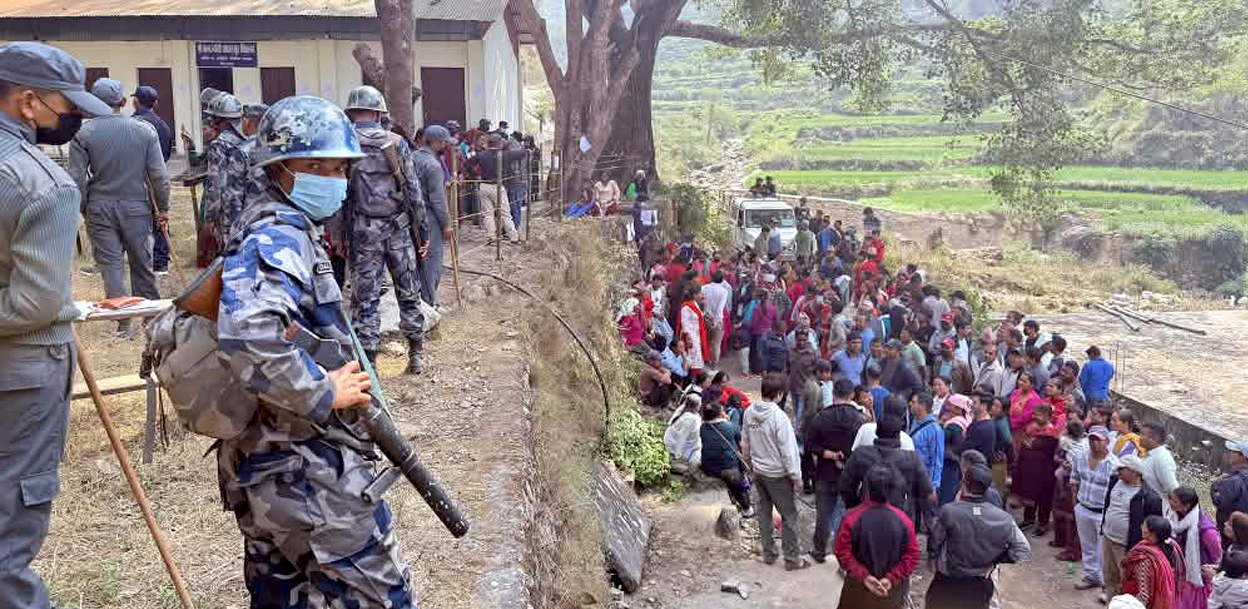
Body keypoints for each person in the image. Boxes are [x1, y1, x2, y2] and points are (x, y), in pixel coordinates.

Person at [217, 95, 419, 607]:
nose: (331, 178)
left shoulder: (286, 226)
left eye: (337, 167)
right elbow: (248, 333)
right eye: (314, 166)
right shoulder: (276, 235)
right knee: (383, 596)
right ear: (279, 169)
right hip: (305, 468)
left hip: (274, 464)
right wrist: (321, 391)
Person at [0, 41, 114, 609]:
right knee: (7, 530)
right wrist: (64, 308)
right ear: (27, 102)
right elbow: (35, 306)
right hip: (20, 368)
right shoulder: (41, 181)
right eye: (63, 107)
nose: (70, 119)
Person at [69, 77, 171, 338]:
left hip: (99, 206)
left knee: (111, 266)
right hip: (136, 206)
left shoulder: (83, 133)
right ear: (124, 102)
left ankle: (124, 324)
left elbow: (77, 178)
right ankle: (151, 321)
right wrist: (163, 208)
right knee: (142, 264)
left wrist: (83, 207)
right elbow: (159, 175)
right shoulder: (144, 130)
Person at [342, 85, 427, 374]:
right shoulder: (396, 142)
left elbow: (341, 195)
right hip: (399, 231)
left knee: (366, 298)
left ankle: (370, 364)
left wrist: (340, 236)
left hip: (363, 232)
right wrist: (423, 231)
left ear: (351, 112)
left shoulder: (344, 144)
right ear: (379, 113)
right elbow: (413, 191)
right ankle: (416, 356)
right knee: (408, 291)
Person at [926, 464, 1033, 609]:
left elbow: (934, 542)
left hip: (948, 581)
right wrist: (996, 561)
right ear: (987, 488)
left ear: (964, 483)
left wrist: (933, 563)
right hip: (980, 585)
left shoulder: (949, 512)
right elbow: (1023, 550)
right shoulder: (1004, 518)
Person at [741, 373, 809, 570]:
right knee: (789, 516)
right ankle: (792, 559)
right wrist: (796, 477)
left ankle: (769, 553)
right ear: (779, 394)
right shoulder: (779, 417)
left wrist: (749, 464)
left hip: (759, 472)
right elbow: (788, 451)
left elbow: (745, 442)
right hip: (778, 474)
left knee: (764, 512)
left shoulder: (749, 412)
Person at [834, 465, 921, 609]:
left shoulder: (851, 518)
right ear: (892, 490)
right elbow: (913, 555)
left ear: (866, 488)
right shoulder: (904, 521)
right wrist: (891, 578)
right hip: (889, 593)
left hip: (857, 591)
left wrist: (864, 577)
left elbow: (842, 552)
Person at [841, 397, 935, 526]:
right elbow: (926, 490)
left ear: (877, 431)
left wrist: (854, 505)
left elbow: (845, 485)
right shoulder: (911, 458)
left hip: (866, 514)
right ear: (899, 434)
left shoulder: (861, 453)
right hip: (899, 517)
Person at [805, 378, 865, 564]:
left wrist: (829, 455)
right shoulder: (860, 419)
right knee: (848, 515)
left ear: (833, 394)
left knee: (823, 513)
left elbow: (809, 445)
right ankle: (844, 555)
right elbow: (863, 450)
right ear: (852, 395)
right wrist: (846, 461)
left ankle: (819, 550)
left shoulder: (821, 417)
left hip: (825, 472)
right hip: (851, 476)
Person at [1103, 455, 1167, 602]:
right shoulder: (1115, 482)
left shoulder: (1149, 497)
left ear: (1135, 472)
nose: (1118, 471)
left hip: (1127, 547)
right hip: (1108, 538)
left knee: (1127, 583)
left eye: (1122, 469)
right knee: (1109, 577)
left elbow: (1155, 528)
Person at [131, 85, 174, 275]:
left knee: (138, 221)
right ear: (155, 103)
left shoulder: (131, 124)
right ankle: (161, 262)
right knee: (160, 217)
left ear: (136, 101)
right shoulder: (163, 125)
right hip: (158, 176)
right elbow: (165, 155)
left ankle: (142, 260)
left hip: (135, 179)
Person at [200, 91, 251, 248]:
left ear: (219, 119)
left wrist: (209, 219)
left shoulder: (219, 146)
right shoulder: (250, 142)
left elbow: (215, 187)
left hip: (230, 219)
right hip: (250, 214)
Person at [1071, 426, 1117, 591]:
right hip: (1083, 507)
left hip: (1101, 513)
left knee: (1103, 551)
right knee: (1087, 546)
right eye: (1091, 439)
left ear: (1107, 442)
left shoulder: (1113, 465)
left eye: (1098, 440)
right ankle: (1091, 577)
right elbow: (1074, 479)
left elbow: (1115, 493)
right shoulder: (1081, 457)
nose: (1094, 443)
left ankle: (1106, 585)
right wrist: (1075, 504)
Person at [414, 125, 455, 307]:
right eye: (445, 142)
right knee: (432, 261)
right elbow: (438, 200)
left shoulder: (411, 158)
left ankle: (415, 302)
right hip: (429, 219)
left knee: (415, 261)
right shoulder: (433, 166)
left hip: (410, 218)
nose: (446, 145)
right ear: (437, 142)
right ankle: (430, 302)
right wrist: (446, 224)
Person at [1169, 487, 1222, 609]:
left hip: (1198, 580)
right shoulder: (1175, 518)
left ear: (1186, 505)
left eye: (1174, 501)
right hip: (1180, 575)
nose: (1170, 503)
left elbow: (1217, 556)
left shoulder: (1206, 530)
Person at [466, 133, 523, 242]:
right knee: (505, 213)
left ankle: (491, 237)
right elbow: (521, 153)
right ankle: (513, 237)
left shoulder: (481, 154)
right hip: (497, 185)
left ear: (488, 143)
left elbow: (467, 164)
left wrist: (475, 174)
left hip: (484, 185)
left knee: (487, 214)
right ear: (499, 143)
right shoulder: (504, 154)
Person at [700, 401, 753, 517]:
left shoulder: (702, 427)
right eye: (722, 411)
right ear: (720, 414)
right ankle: (747, 508)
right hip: (729, 470)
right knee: (737, 476)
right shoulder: (730, 426)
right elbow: (741, 443)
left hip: (708, 467)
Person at [1123, 516, 1183, 609]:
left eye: (1144, 526)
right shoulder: (1172, 547)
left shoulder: (1144, 558)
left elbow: (1144, 596)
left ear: (1152, 535)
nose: (1141, 526)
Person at [909, 391, 944, 496]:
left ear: (922, 406)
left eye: (913, 402)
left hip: (923, 481)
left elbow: (937, 460)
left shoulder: (935, 430)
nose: (910, 404)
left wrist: (933, 487)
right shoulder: (914, 421)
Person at [1214, 442, 1248, 548]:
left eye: (1234, 452)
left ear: (1243, 456)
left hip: (1231, 534)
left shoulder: (1234, 481)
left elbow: (1219, 500)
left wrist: (1217, 484)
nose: (1229, 454)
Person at [676, 286, 709, 377]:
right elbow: (684, 322)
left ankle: (696, 375)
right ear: (694, 295)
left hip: (697, 334)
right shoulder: (686, 307)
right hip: (691, 335)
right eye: (699, 293)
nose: (701, 295)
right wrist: (688, 337)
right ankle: (691, 376)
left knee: (697, 355)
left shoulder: (694, 303)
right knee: (692, 355)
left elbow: (699, 315)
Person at [701, 270, 731, 366]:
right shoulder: (724, 291)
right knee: (716, 344)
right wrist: (716, 322)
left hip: (705, 318)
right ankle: (714, 365)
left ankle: (705, 361)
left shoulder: (704, 288)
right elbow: (720, 309)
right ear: (722, 280)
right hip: (717, 320)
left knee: (706, 341)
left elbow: (701, 303)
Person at [1141, 422, 1181, 496]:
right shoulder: (1150, 454)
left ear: (1153, 438)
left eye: (1143, 434)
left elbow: (1172, 488)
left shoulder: (1162, 459)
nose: (1140, 437)